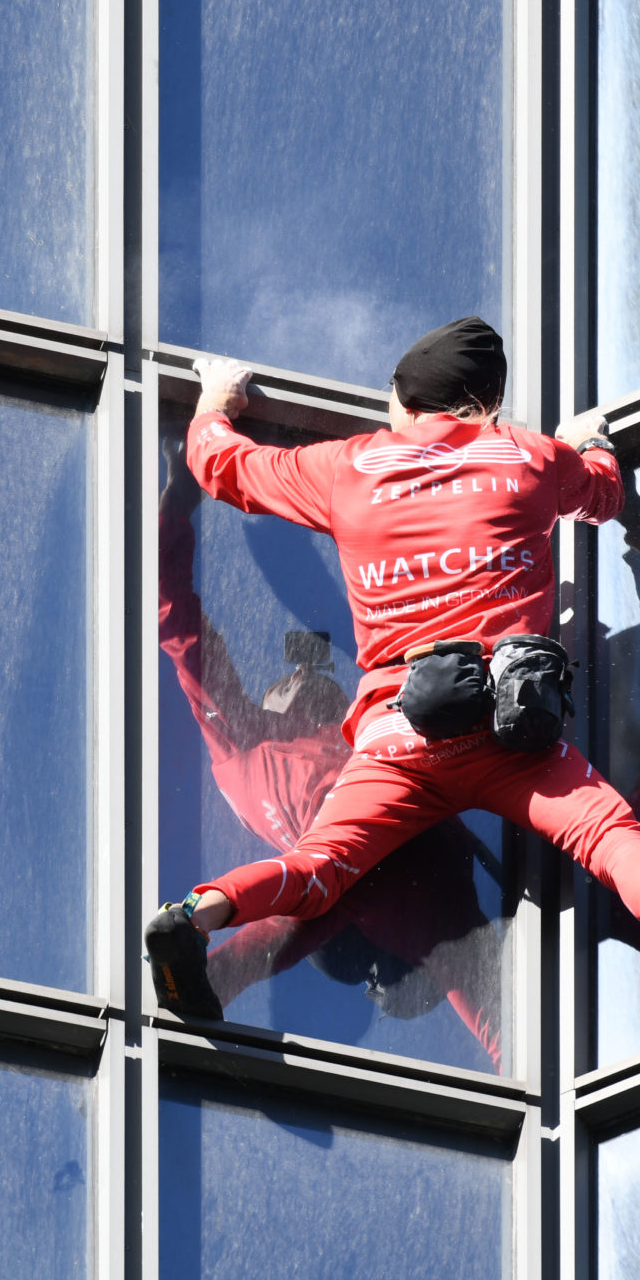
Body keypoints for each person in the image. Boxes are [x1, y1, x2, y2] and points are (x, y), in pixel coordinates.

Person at [145, 315, 640, 1028]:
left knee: (321, 867)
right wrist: (589, 440)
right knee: (610, 834)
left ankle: (199, 912)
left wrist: (214, 403)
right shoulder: (526, 460)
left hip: (398, 735)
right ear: (486, 405)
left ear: (400, 401)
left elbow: (221, 465)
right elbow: (601, 491)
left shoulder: (344, 469)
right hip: (511, 733)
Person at [159, 439, 506, 1061]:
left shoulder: (294, 740)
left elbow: (185, 629)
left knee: (316, 899)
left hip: (392, 850)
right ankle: (204, 966)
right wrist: (179, 499)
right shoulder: (249, 747)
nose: (296, 677)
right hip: (381, 853)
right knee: (317, 898)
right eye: (289, 682)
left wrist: (182, 503)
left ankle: (204, 961)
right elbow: (180, 630)